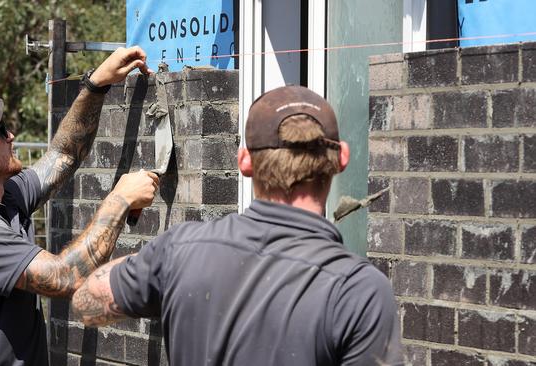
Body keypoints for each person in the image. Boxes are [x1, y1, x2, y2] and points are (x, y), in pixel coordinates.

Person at [71, 85, 404, 365]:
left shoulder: (180, 250)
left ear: (245, 162)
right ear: (342, 158)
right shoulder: (361, 292)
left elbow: (87, 301)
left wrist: (160, 263)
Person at [0, 46, 159, 366]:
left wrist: (96, 84)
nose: (11, 134)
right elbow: (65, 276)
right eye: (0, 131)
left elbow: (64, 155)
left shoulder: (6, 196)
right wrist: (120, 199)